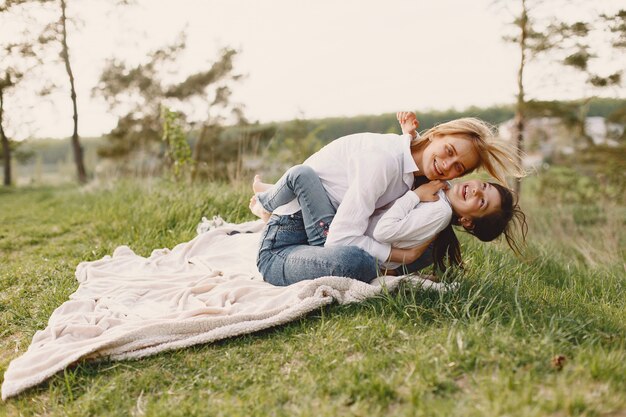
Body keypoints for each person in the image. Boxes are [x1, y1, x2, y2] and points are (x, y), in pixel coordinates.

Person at [251, 112, 525, 285]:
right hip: (284, 246)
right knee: (354, 262)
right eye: (449, 150)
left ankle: (387, 271)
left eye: (459, 168)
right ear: (437, 134)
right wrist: (400, 256)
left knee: (434, 242)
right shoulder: (382, 162)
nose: (448, 166)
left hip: (325, 229)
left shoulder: (425, 172)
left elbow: (451, 202)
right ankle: (386, 273)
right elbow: (339, 240)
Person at [252, 165, 527, 285]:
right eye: (483, 187)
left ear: (466, 221)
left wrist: (414, 196)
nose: (475, 191)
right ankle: (270, 204)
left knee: (302, 175)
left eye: (481, 202)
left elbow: (384, 230)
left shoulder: (439, 211)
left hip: (334, 241)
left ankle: (267, 203)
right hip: (341, 232)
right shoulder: (442, 193)